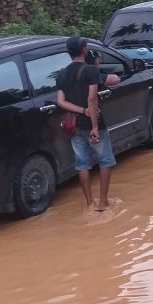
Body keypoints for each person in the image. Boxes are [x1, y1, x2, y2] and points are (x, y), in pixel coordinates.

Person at [57, 37, 119, 210]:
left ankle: (89, 203)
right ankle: (103, 201)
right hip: (91, 122)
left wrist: (80, 111)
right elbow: (91, 98)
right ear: (84, 50)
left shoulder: (61, 73)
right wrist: (94, 126)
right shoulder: (91, 70)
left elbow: (61, 102)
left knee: (82, 164)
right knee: (105, 160)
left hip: (73, 125)